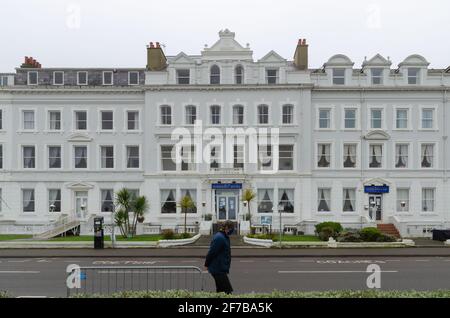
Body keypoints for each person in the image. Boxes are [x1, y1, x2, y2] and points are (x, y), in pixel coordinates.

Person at [204, 220, 234, 294]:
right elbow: (212, 252)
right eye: (232, 228)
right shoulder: (220, 238)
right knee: (227, 291)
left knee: (221, 291)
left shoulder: (224, 236)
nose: (232, 230)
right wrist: (206, 264)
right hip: (218, 269)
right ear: (227, 228)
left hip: (220, 268)